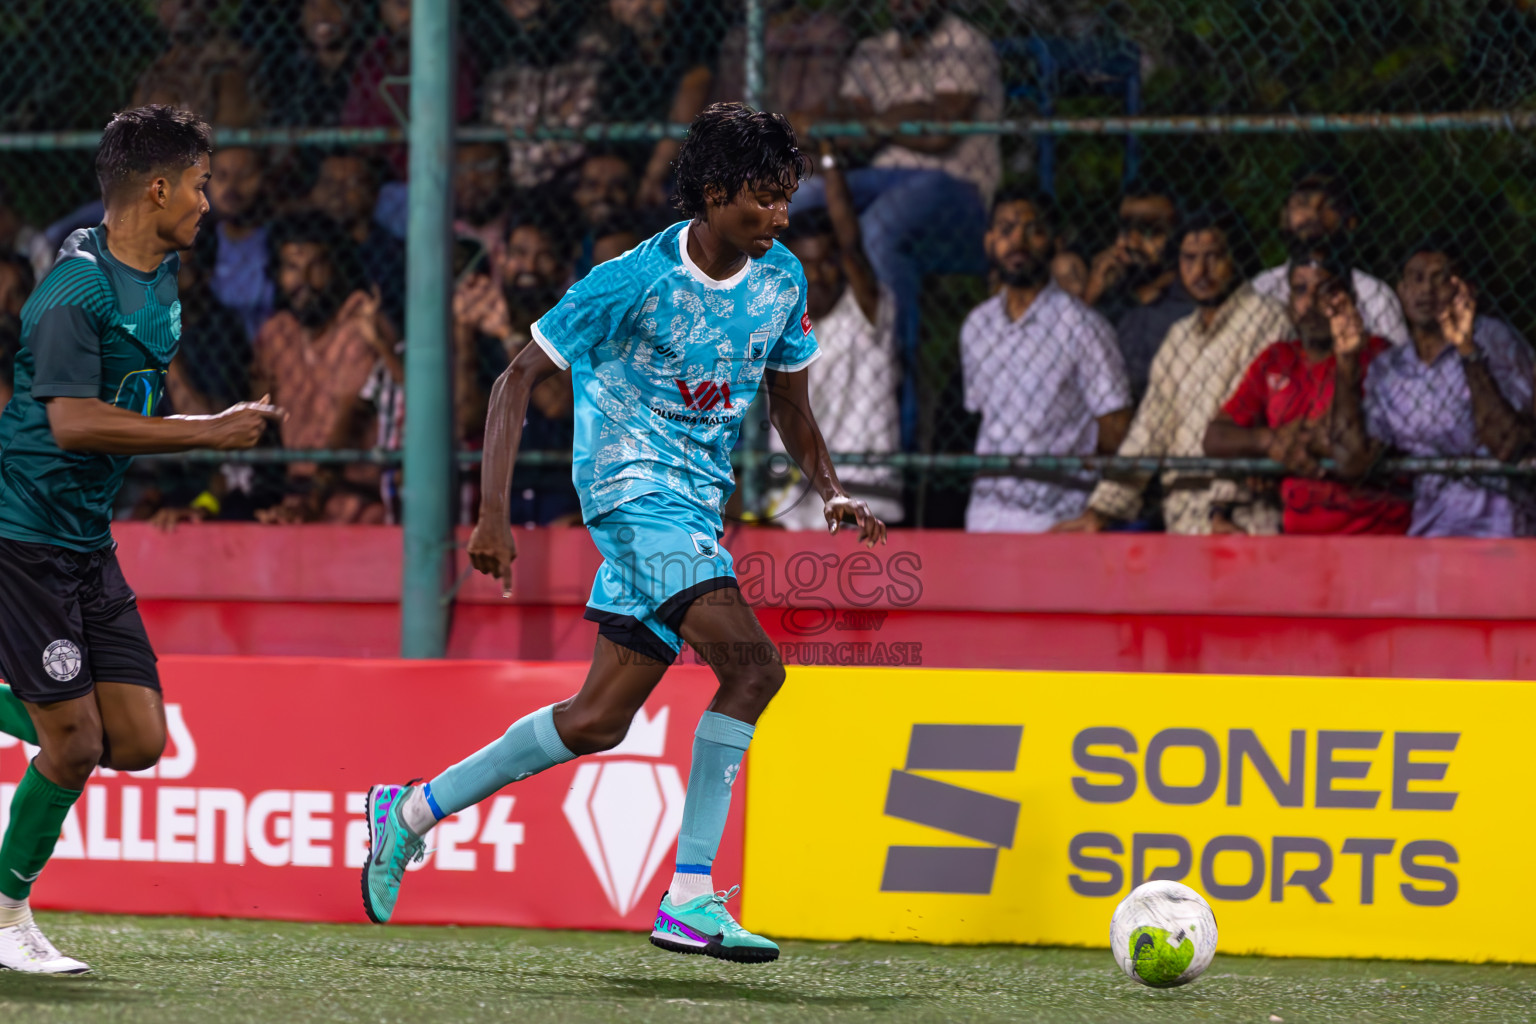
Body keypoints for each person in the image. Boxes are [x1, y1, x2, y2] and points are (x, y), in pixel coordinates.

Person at [360, 103, 885, 963]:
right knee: (754, 671)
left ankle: (410, 811)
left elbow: (790, 399)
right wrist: (490, 514)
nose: (779, 217)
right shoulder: (631, 280)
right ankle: (690, 895)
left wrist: (828, 492)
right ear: (713, 195)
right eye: (761, 199)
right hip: (630, 497)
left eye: (787, 199)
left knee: (597, 720)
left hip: (694, 510)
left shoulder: (781, 276)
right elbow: (515, 379)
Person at [0, 106, 281, 973]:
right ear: (155, 188)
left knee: (139, 743)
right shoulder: (71, 294)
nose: (211, 199)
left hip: (87, 540)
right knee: (75, 744)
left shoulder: (159, 281)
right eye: (201, 183)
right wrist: (212, 432)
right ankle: (9, 919)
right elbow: (79, 424)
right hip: (25, 535)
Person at [797, 0, 1002, 448]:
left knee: (880, 229)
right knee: (798, 197)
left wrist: (870, 122)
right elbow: (835, 123)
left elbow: (939, 132)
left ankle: (899, 421)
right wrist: (894, 119)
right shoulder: (872, 50)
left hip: (953, 189)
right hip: (876, 179)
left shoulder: (963, 42)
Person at [1053, 207, 1290, 535]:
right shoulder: (1179, 335)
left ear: (1237, 258)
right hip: (1182, 517)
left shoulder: (1266, 318)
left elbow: (1249, 418)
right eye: (1189, 258)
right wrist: (1101, 510)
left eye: (1213, 257)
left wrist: (1224, 507)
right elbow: (1149, 429)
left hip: (1242, 519)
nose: (1200, 270)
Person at [1331, 241, 1535, 537]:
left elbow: (1507, 442)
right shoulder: (1388, 368)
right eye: (1416, 278)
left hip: (1502, 525)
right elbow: (1351, 461)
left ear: (1464, 289)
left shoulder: (1491, 339)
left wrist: (1467, 351)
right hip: (1432, 530)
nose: (1427, 290)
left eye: (1440, 278)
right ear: (1400, 291)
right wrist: (1347, 364)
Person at [1203, 250, 1410, 535]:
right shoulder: (1276, 358)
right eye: (1300, 290)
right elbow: (1214, 438)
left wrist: (1294, 440)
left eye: (1325, 290)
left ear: (1349, 297)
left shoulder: (1377, 355)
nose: (1311, 303)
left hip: (1373, 532)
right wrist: (1269, 440)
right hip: (1299, 537)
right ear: (1288, 301)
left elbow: (1351, 452)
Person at [961, 189, 1131, 532]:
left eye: (1032, 229)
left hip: (1055, 517)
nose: (1017, 242)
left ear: (1055, 242)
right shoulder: (976, 326)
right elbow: (983, 414)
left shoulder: (1083, 327)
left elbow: (1118, 431)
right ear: (989, 241)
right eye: (1006, 230)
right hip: (984, 513)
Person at [766, 144, 903, 530]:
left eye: (828, 262)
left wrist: (828, 161)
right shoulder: (777, 326)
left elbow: (853, 247)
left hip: (866, 497)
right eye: (807, 265)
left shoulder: (864, 314)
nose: (821, 274)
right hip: (794, 503)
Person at [1250, 169, 1408, 346]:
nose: (1313, 210)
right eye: (1303, 201)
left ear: (1350, 220)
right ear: (1284, 217)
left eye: (1328, 203)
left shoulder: (1374, 296)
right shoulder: (1263, 287)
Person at [1084, 179, 1194, 404]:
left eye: (1148, 231)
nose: (1131, 243)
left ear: (1177, 238)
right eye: (1125, 229)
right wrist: (1090, 297)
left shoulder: (1192, 309)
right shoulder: (1106, 303)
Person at [308, 149, 406, 330]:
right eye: (328, 183)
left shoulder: (393, 255)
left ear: (373, 193)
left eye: (351, 183)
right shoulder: (299, 247)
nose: (338, 192)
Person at [206, 146, 275, 342]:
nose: (231, 186)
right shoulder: (199, 241)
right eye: (221, 175)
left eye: (244, 175)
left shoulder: (277, 240)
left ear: (265, 179)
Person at [256, 0, 362, 127]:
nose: (322, 16)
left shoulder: (365, 64)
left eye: (334, 5)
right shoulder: (285, 67)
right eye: (313, 6)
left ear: (350, 13)